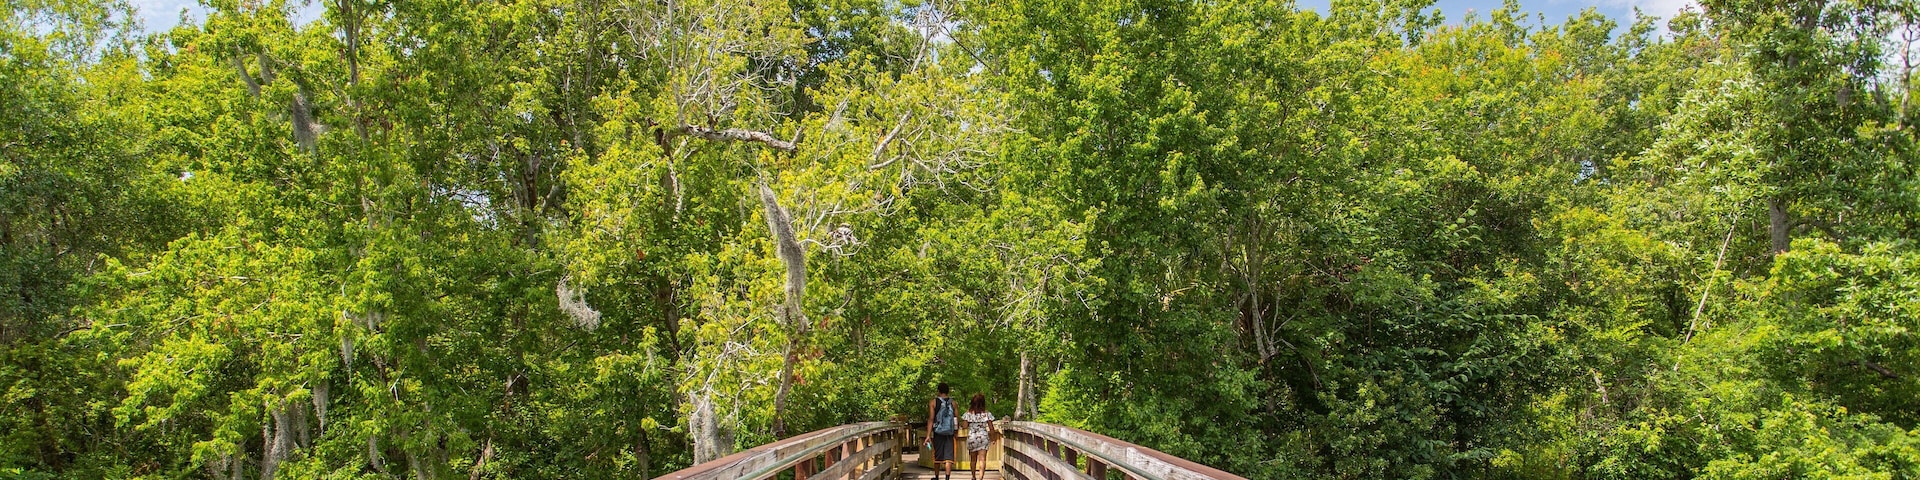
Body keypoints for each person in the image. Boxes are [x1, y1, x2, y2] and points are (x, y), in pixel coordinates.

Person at [961, 393, 999, 480]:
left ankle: (973, 477)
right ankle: (981, 478)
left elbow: (965, 426)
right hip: (983, 437)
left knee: (973, 459)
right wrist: (993, 438)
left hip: (972, 437)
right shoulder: (987, 414)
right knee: (982, 459)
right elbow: (991, 428)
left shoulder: (968, 413)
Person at [924, 383, 958, 480]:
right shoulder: (953, 403)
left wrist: (928, 435)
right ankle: (947, 477)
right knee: (948, 456)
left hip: (938, 432)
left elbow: (931, 419)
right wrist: (956, 432)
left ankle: (937, 476)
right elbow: (956, 419)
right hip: (949, 433)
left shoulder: (933, 402)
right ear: (948, 391)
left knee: (937, 455)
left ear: (938, 391)